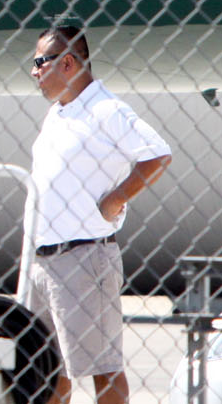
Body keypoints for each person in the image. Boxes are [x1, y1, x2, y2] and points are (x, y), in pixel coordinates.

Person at [26, 23, 172, 404]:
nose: (34, 72)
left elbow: (158, 154)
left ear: (68, 63)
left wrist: (116, 198)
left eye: (40, 62)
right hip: (42, 262)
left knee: (102, 369)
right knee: (47, 370)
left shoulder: (105, 109)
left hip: (83, 257)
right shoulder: (57, 114)